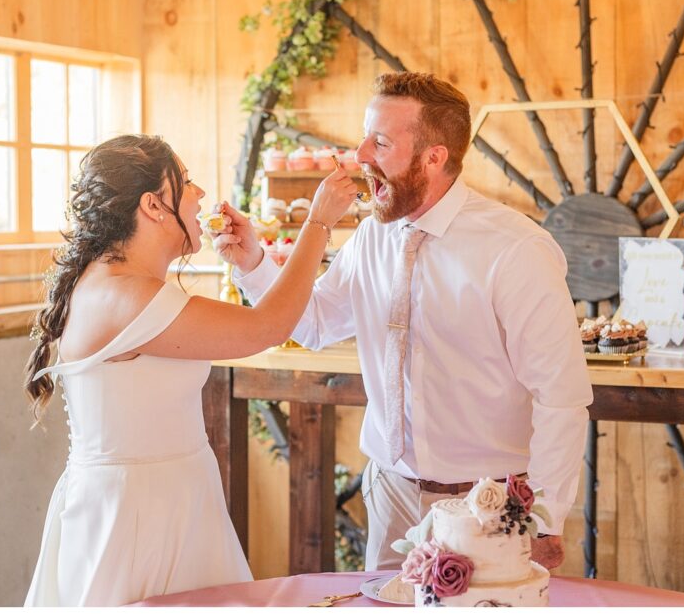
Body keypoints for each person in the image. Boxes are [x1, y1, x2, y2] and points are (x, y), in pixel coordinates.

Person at [214, 73, 593, 571]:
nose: (361, 154)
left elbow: (560, 395)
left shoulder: (515, 249)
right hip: (389, 493)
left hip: (491, 506)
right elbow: (314, 324)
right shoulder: (373, 237)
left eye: (382, 142)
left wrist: (545, 518)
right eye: (365, 136)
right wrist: (252, 264)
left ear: (434, 157)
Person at [23, 134, 357, 606]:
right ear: (154, 206)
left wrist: (251, 261)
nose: (200, 195)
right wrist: (319, 221)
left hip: (174, 499)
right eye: (186, 183)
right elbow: (268, 327)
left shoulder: (120, 283)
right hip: (136, 518)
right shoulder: (125, 295)